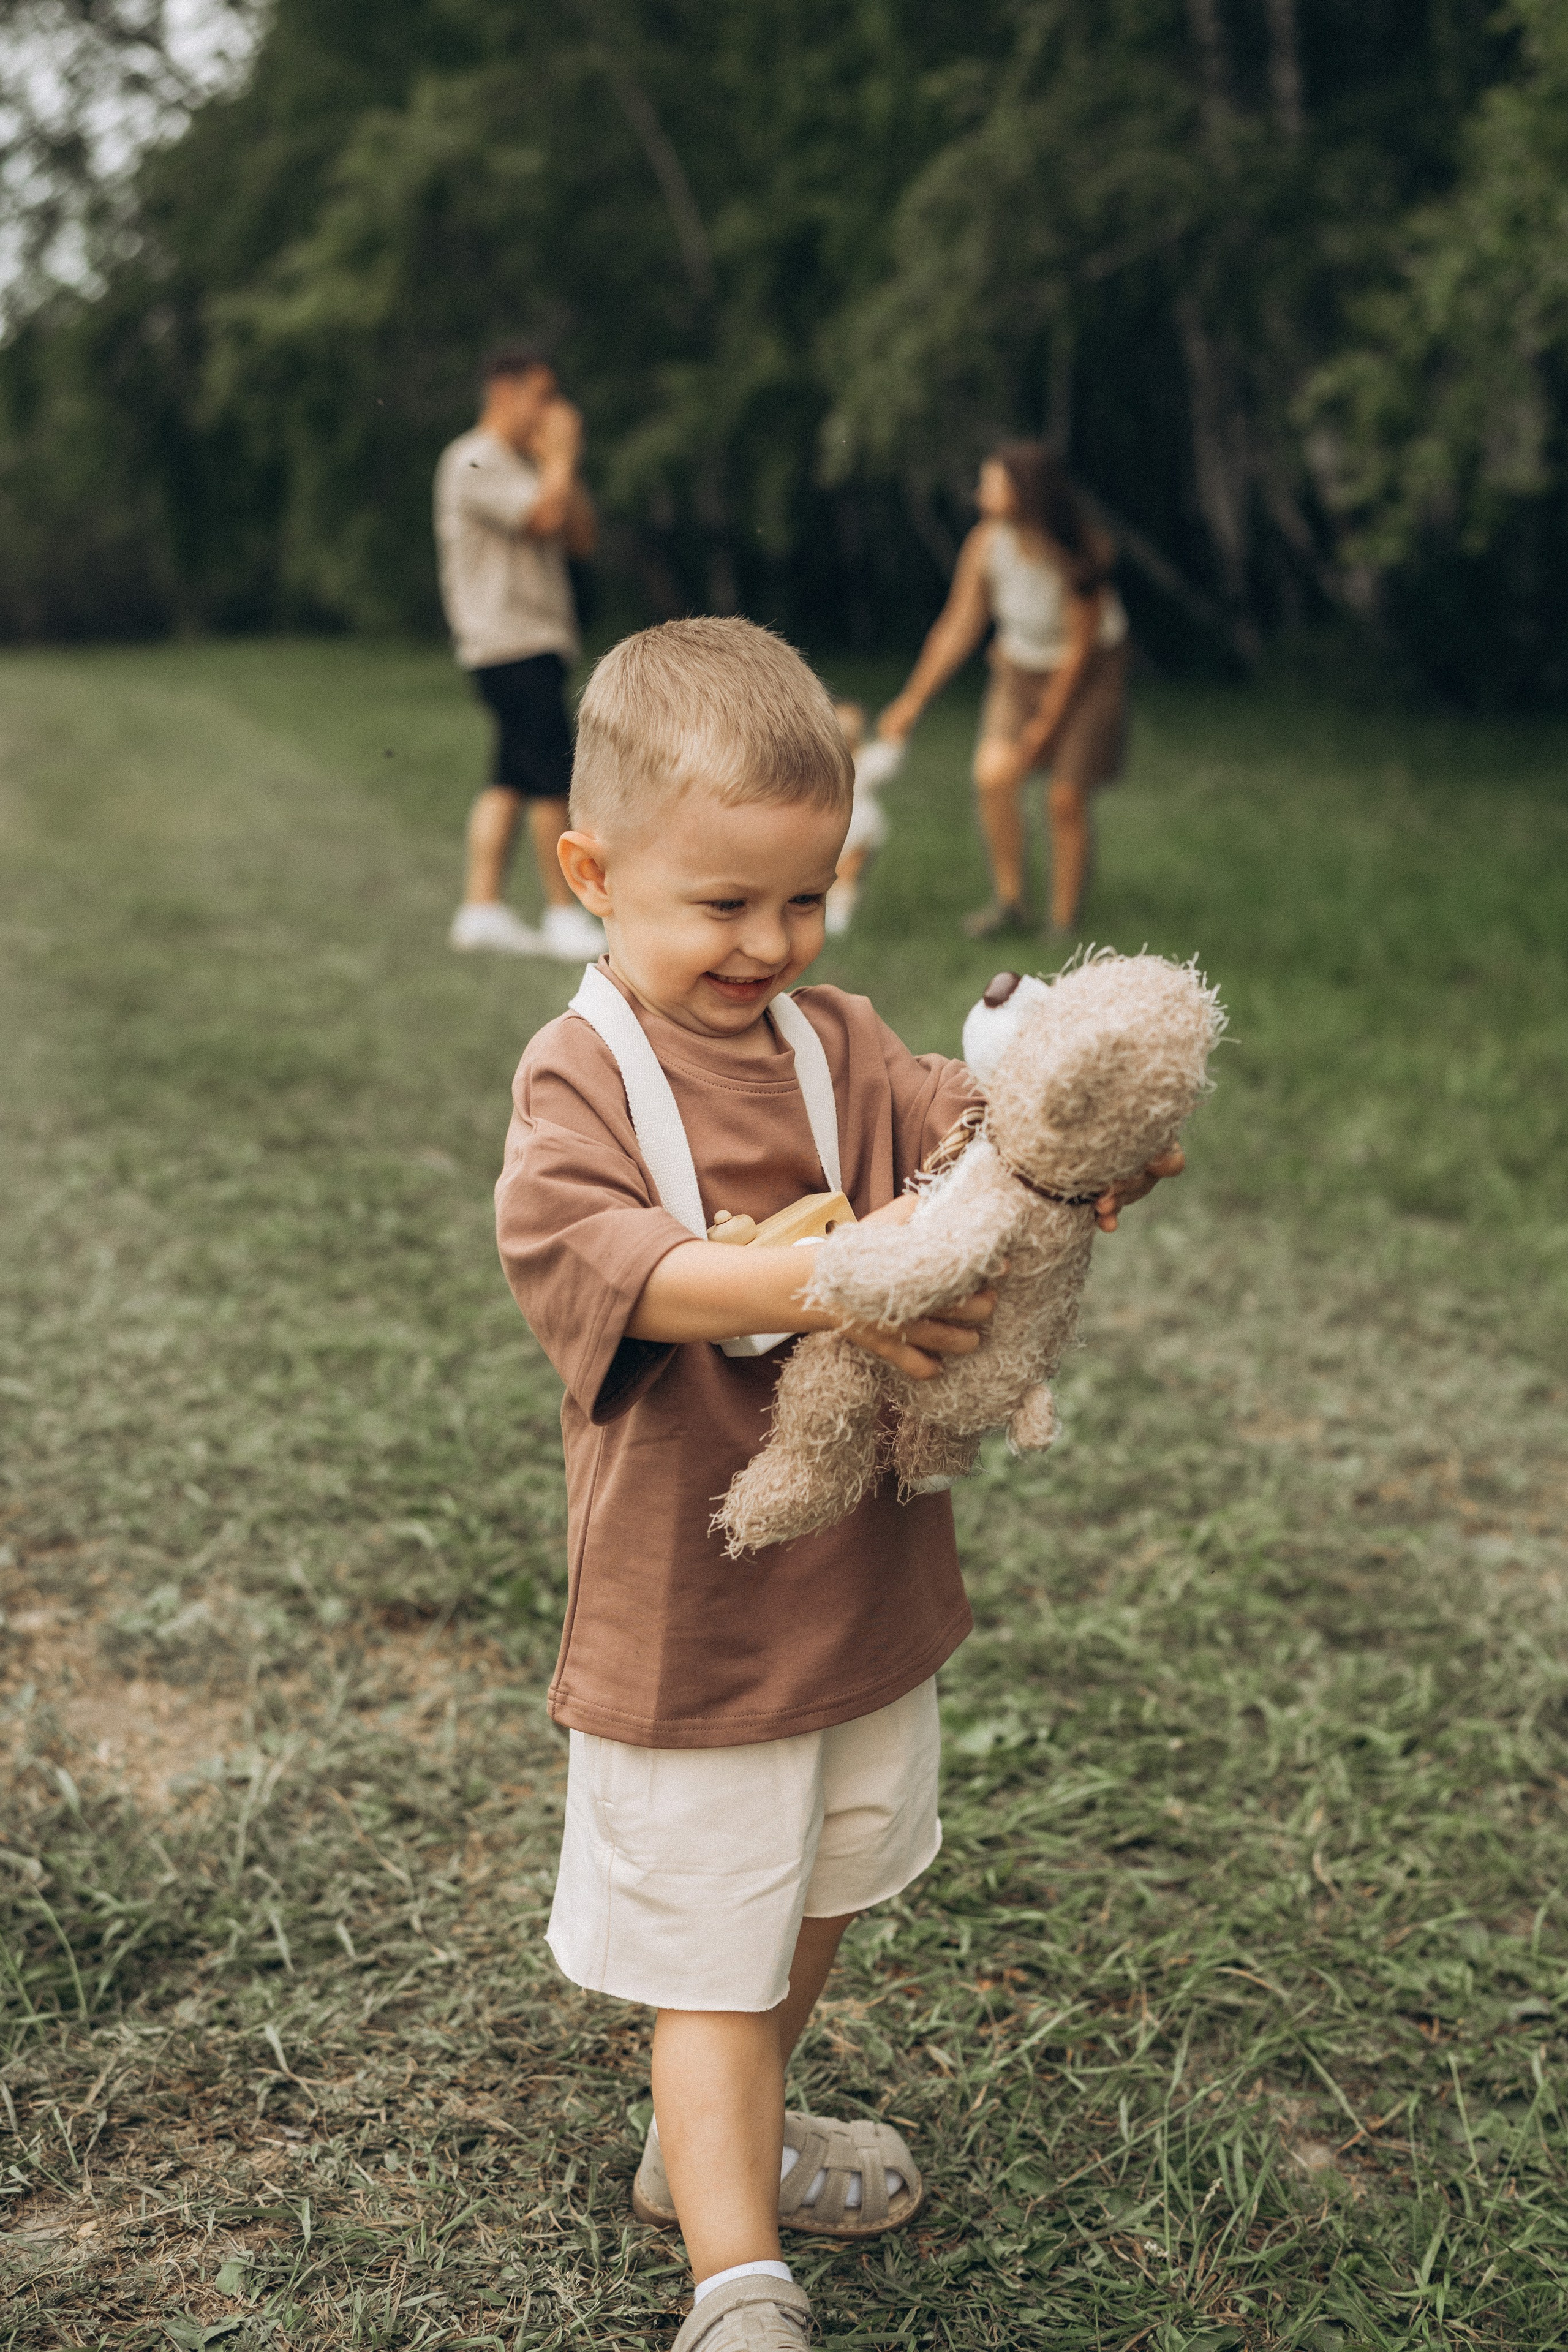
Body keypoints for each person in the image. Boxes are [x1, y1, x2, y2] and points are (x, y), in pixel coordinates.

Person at [494, 618, 1178, 2352]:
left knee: (817, 1891)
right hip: (695, 1615)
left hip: (857, 1589)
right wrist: (825, 1277)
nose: (770, 942)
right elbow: (612, 1265)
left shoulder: (838, 1041)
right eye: (724, 903)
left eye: (804, 898)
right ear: (591, 873)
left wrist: (1070, 1148)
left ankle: (709, 2150)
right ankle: (736, 2279)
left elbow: (978, 1132)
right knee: (714, 1955)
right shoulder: (584, 1073)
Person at [880, 442, 1129, 943]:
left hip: (1088, 676)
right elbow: (959, 626)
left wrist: (1045, 728)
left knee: (1064, 798)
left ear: (1027, 492)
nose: (980, 494)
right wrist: (912, 701)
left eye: (992, 485)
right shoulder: (986, 544)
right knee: (993, 776)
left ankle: (1062, 925)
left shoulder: (1081, 550)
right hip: (1018, 671)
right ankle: (1011, 904)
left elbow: (1078, 654)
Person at [434, 342, 607, 962]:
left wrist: (561, 464)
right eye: (541, 395)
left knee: (509, 778)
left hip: (532, 639)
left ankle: (480, 910)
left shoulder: (524, 462)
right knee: (553, 778)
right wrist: (558, 459)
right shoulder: (475, 459)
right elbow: (541, 519)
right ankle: (563, 915)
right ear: (502, 393)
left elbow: (580, 536)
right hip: (507, 641)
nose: (552, 409)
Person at [823, 699, 904, 936]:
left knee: (848, 872)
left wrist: (895, 733)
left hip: (860, 827)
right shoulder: (824, 764)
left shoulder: (867, 760)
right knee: (828, 874)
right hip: (830, 828)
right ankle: (831, 910)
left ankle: (839, 915)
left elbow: (889, 757)